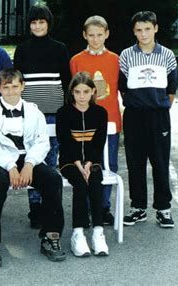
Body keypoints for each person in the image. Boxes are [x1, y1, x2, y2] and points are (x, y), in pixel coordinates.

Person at [0, 68, 65, 267]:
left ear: (23, 86)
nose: (11, 91)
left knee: (52, 179)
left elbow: (42, 142)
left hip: (27, 159)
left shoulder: (33, 111)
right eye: (6, 87)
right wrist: (10, 166)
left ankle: (50, 236)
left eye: (15, 87)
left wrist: (29, 164)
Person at [119, 11, 178, 228]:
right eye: (138, 30)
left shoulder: (167, 55)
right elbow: (123, 88)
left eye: (147, 28)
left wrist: (159, 106)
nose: (143, 34)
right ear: (134, 32)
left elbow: (172, 87)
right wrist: (139, 104)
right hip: (134, 116)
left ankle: (163, 208)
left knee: (160, 162)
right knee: (135, 163)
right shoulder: (126, 55)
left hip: (158, 116)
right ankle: (138, 207)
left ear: (155, 28)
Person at [13, 5, 70, 229]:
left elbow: (66, 82)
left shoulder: (60, 48)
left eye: (42, 22)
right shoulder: (22, 49)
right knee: (32, 160)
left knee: (51, 160)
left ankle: (49, 205)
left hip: (54, 114)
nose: (37, 26)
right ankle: (35, 207)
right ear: (29, 25)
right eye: (33, 22)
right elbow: (17, 83)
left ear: (48, 23)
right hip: (30, 116)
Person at [69, 15, 121, 226]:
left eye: (100, 35)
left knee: (109, 164)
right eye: (91, 35)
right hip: (85, 122)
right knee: (87, 163)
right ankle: (88, 206)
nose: (96, 39)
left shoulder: (116, 59)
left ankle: (103, 207)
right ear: (84, 35)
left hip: (110, 120)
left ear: (107, 34)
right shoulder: (76, 60)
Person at [57, 72, 109, 257]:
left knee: (95, 182)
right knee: (80, 184)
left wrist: (89, 163)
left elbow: (99, 143)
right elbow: (65, 142)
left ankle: (97, 232)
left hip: (93, 162)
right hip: (69, 162)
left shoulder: (100, 113)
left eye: (86, 91)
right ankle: (78, 233)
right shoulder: (63, 113)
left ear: (93, 92)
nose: (81, 96)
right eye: (77, 92)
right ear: (71, 93)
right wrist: (79, 164)